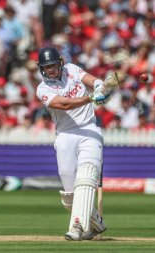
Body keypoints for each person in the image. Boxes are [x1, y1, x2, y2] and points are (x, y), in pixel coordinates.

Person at [35, 46, 113, 241]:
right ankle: (97, 224)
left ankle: (77, 227)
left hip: (89, 131)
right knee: (69, 195)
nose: (50, 70)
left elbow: (92, 80)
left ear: (60, 62)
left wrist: (98, 86)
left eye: (53, 65)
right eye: (46, 67)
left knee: (86, 177)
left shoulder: (71, 69)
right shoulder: (42, 89)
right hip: (65, 135)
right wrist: (92, 97)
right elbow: (64, 104)